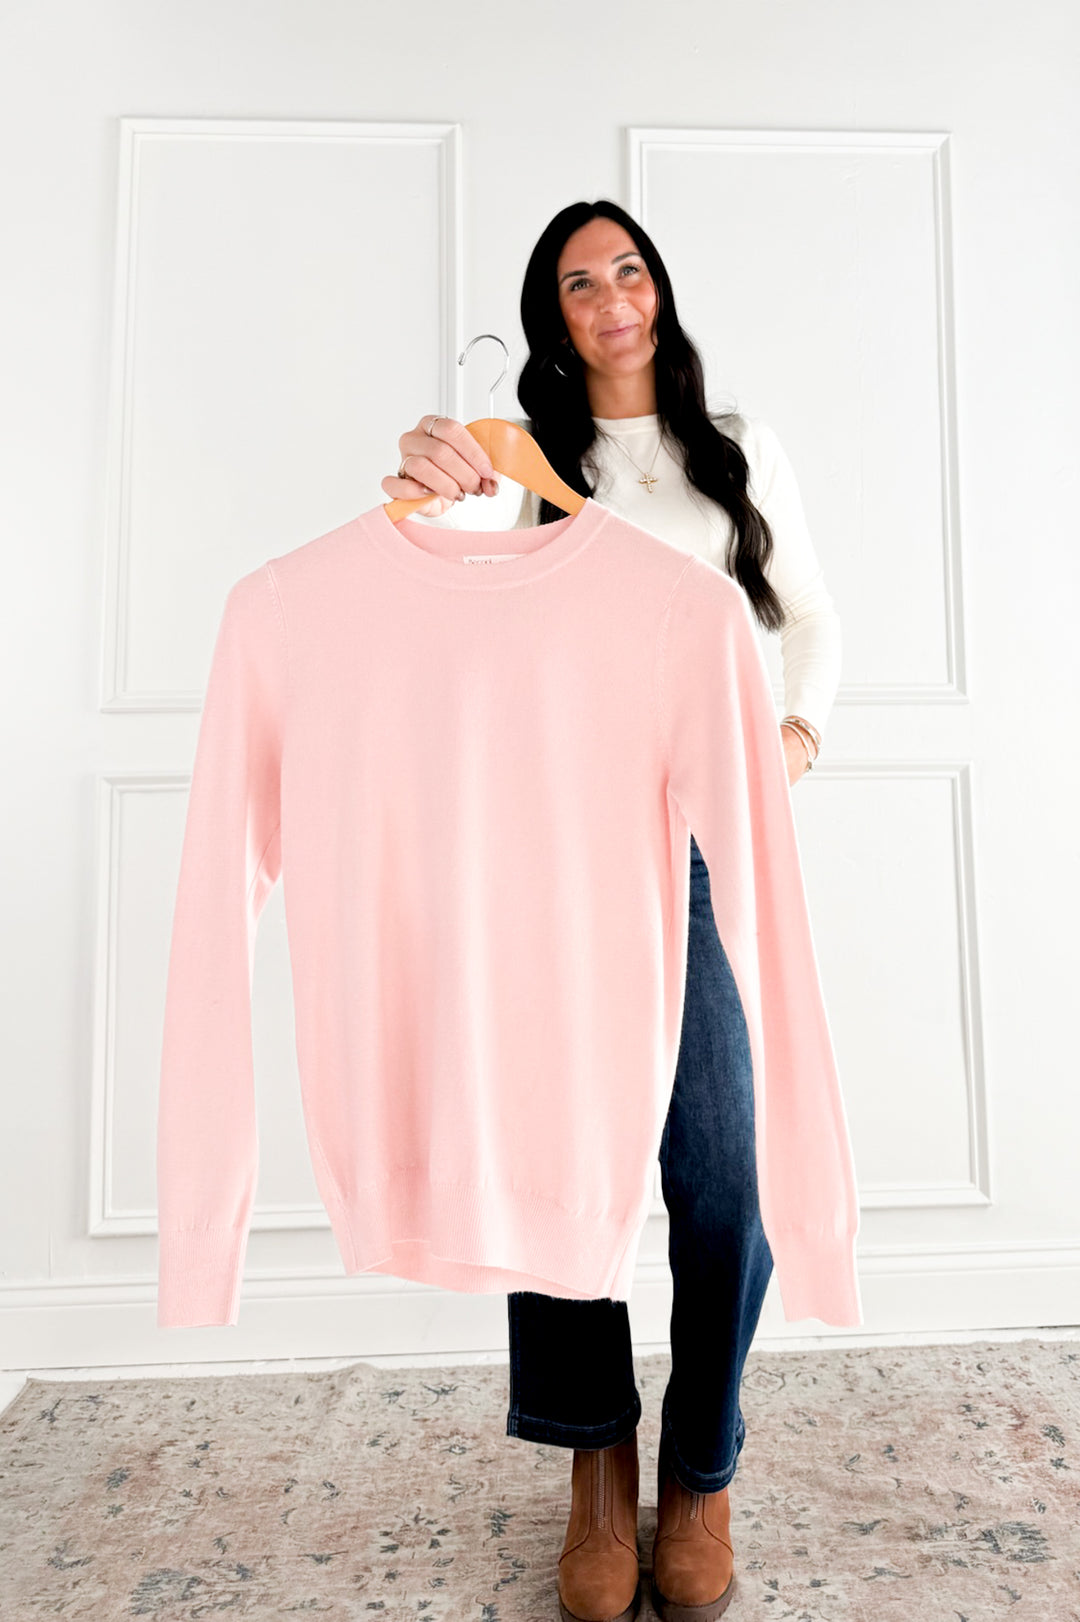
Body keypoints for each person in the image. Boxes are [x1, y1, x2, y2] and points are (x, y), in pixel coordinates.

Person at [380, 199, 842, 1622]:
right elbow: (431, 599)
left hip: (706, 842)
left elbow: (809, 619)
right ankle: (596, 1458)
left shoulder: (738, 448)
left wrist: (792, 739)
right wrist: (428, 470)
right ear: (554, 316)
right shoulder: (526, 465)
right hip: (558, 851)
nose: (612, 298)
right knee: (560, 1164)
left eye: (628, 270)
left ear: (660, 288)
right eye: (579, 283)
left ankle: (700, 1468)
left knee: (726, 1175)